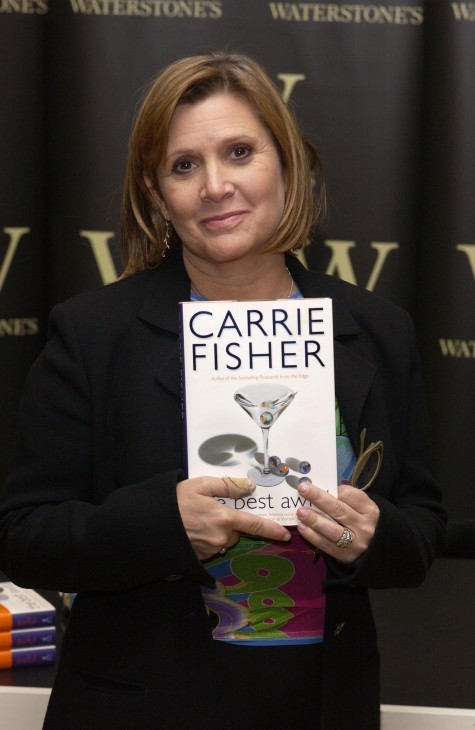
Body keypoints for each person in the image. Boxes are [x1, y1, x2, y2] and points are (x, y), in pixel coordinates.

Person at [0, 51, 446, 729]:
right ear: (156, 194)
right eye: (183, 166)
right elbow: (25, 535)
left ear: (286, 164)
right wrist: (162, 523)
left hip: (321, 703)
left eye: (239, 152)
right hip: (142, 708)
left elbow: (422, 526)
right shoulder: (92, 334)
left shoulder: (375, 329)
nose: (215, 186)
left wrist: (371, 535)